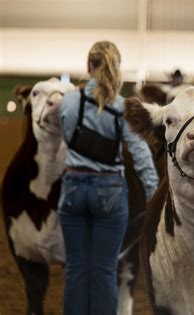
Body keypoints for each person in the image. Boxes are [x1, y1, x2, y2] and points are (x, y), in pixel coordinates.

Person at [58, 41, 159, 315]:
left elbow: (65, 138)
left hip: (73, 188)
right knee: (104, 270)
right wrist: (152, 196)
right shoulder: (122, 107)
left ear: (87, 66)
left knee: (75, 269)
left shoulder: (69, 101)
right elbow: (141, 156)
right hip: (110, 190)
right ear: (117, 68)